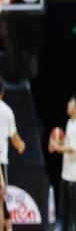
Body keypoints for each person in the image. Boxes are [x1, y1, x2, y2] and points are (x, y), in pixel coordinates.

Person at [49, 94, 76, 231]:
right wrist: (56, 143)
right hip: (66, 174)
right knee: (64, 211)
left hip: (75, 177)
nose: (68, 105)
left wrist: (57, 148)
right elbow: (68, 142)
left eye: (71, 103)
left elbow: (72, 149)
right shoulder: (69, 122)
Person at [0, 78, 26, 231]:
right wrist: (20, 145)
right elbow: (15, 138)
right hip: (1, 161)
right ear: (2, 93)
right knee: (1, 199)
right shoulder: (7, 111)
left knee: (2, 200)